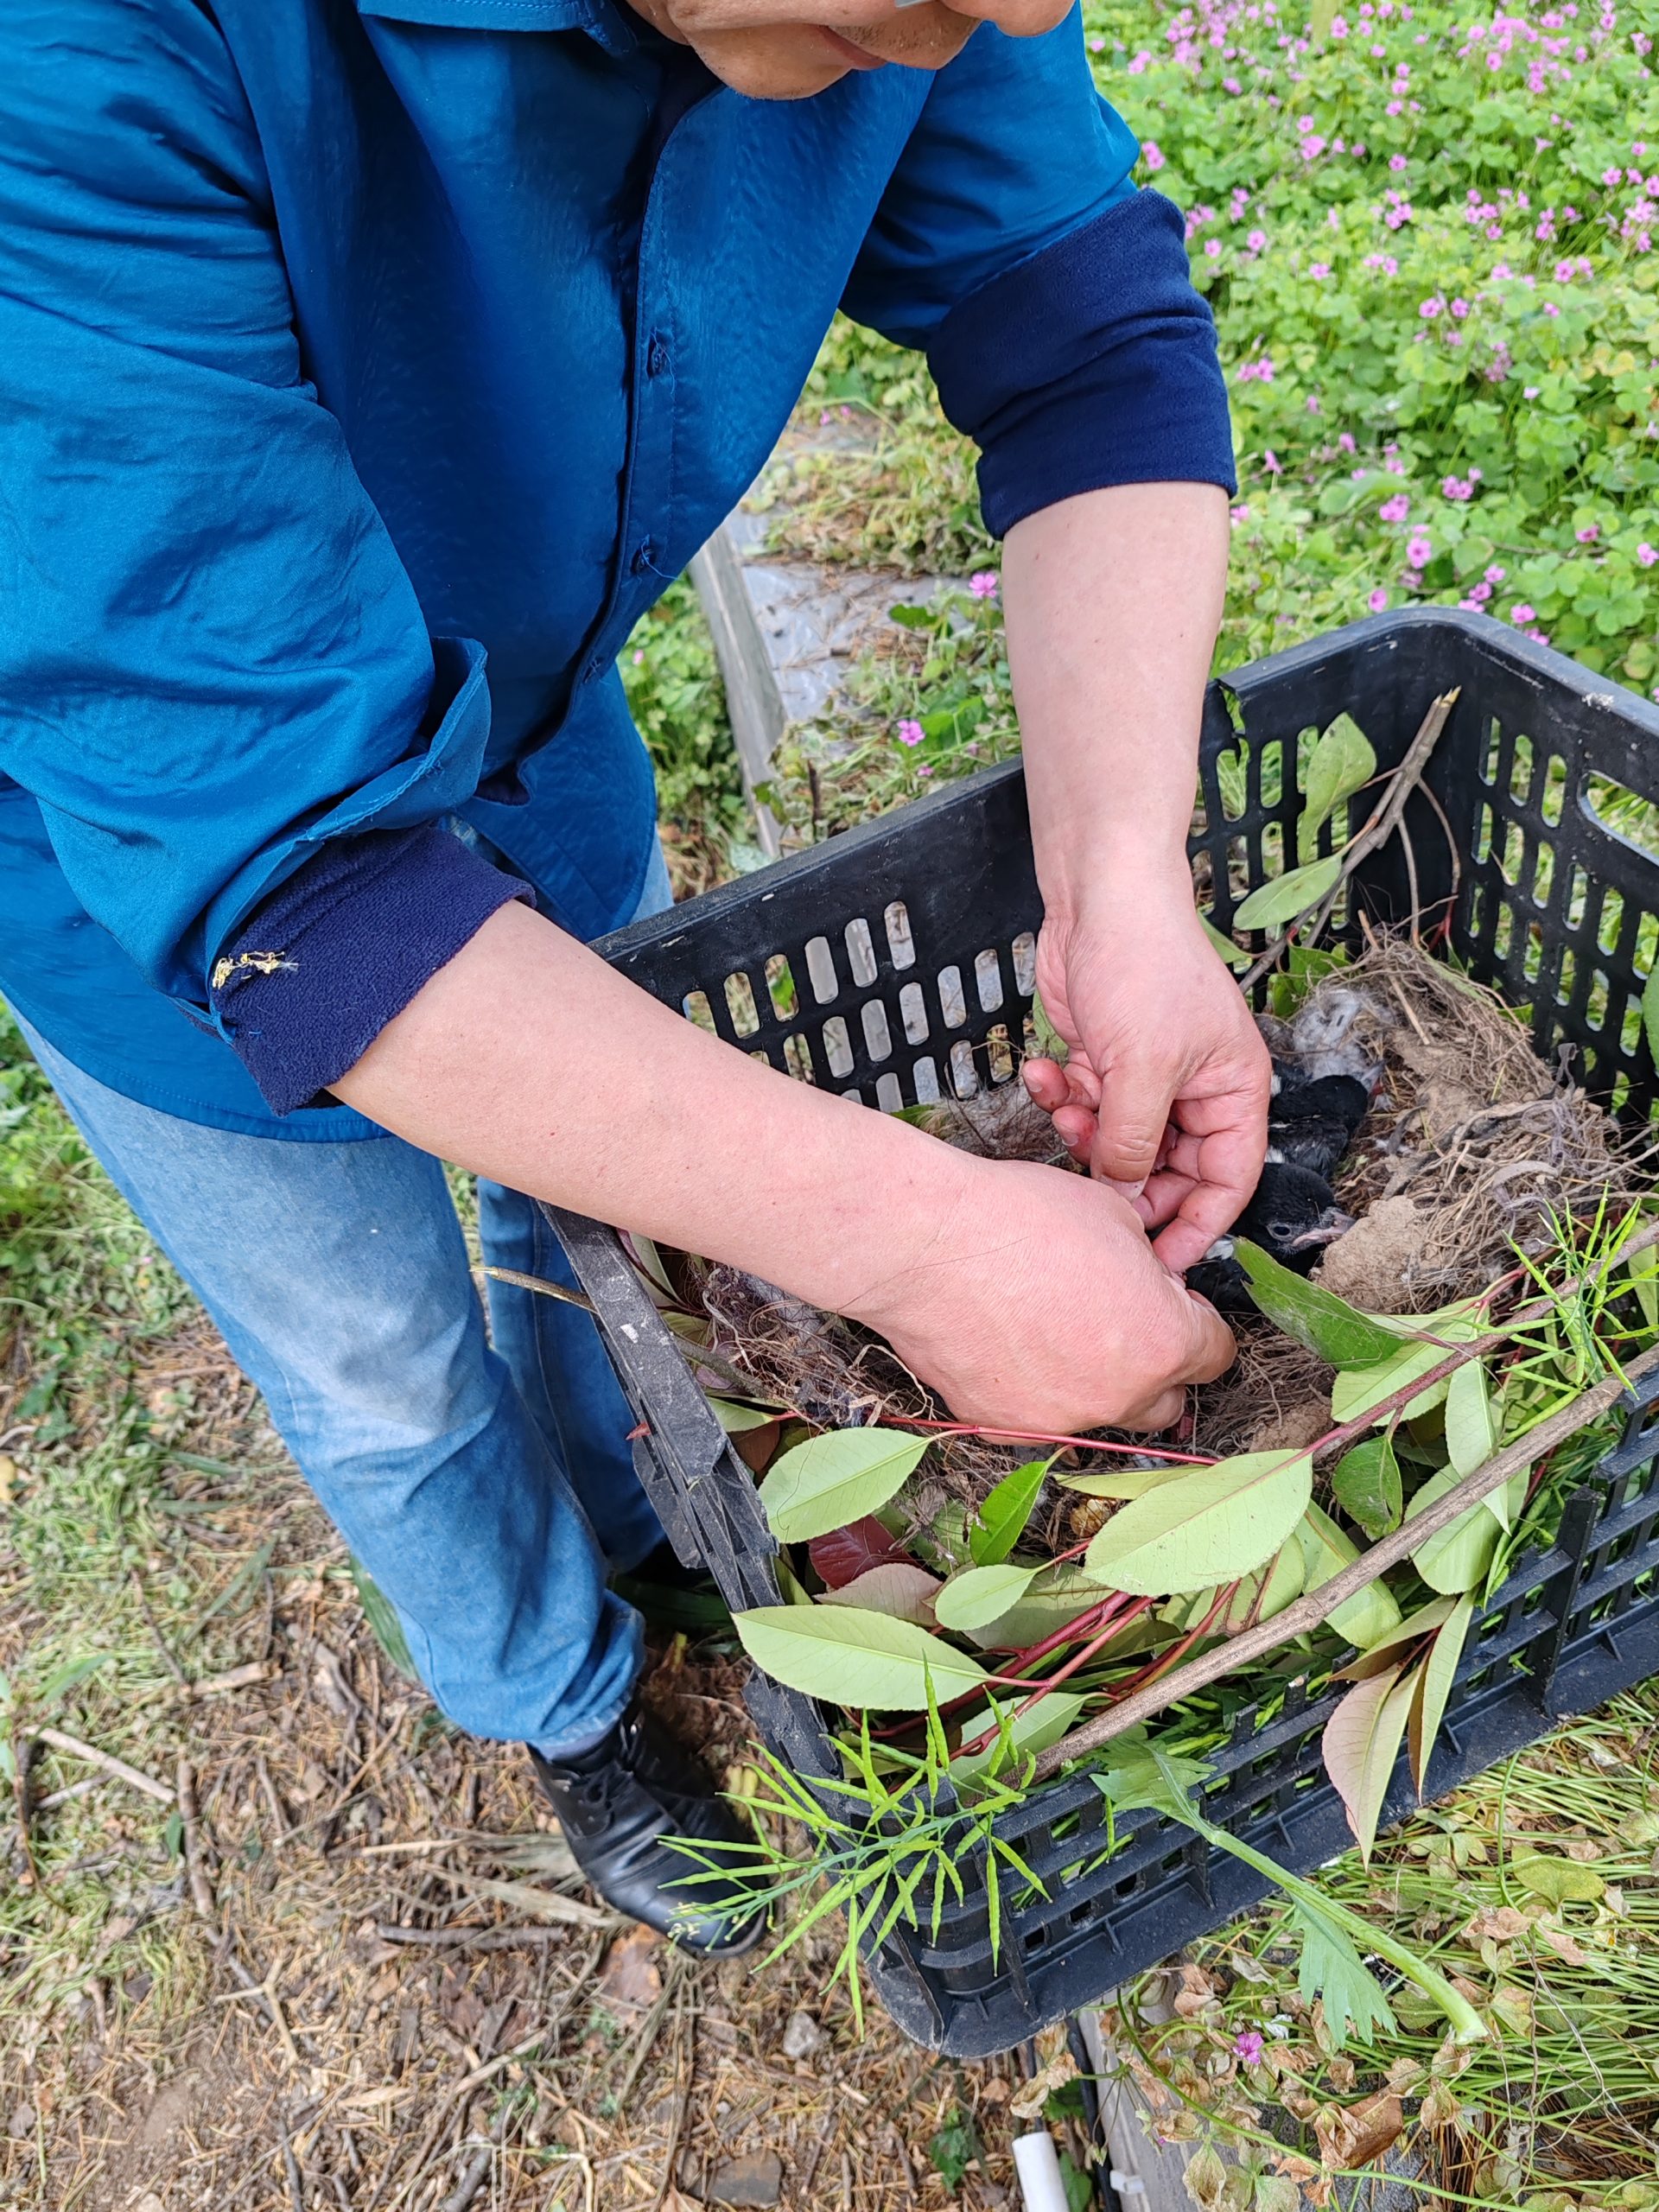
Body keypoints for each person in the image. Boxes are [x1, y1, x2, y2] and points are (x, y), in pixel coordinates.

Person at [0, 0, 1269, 1951]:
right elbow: (298, 885)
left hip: (529, 749)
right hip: (149, 878)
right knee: (383, 1371)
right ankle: (565, 1700)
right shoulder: (82, 54)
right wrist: (929, 1250)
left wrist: (1121, 879)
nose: (1018, 14)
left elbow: (1079, 321)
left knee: (611, 1233)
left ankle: (660, 1509)